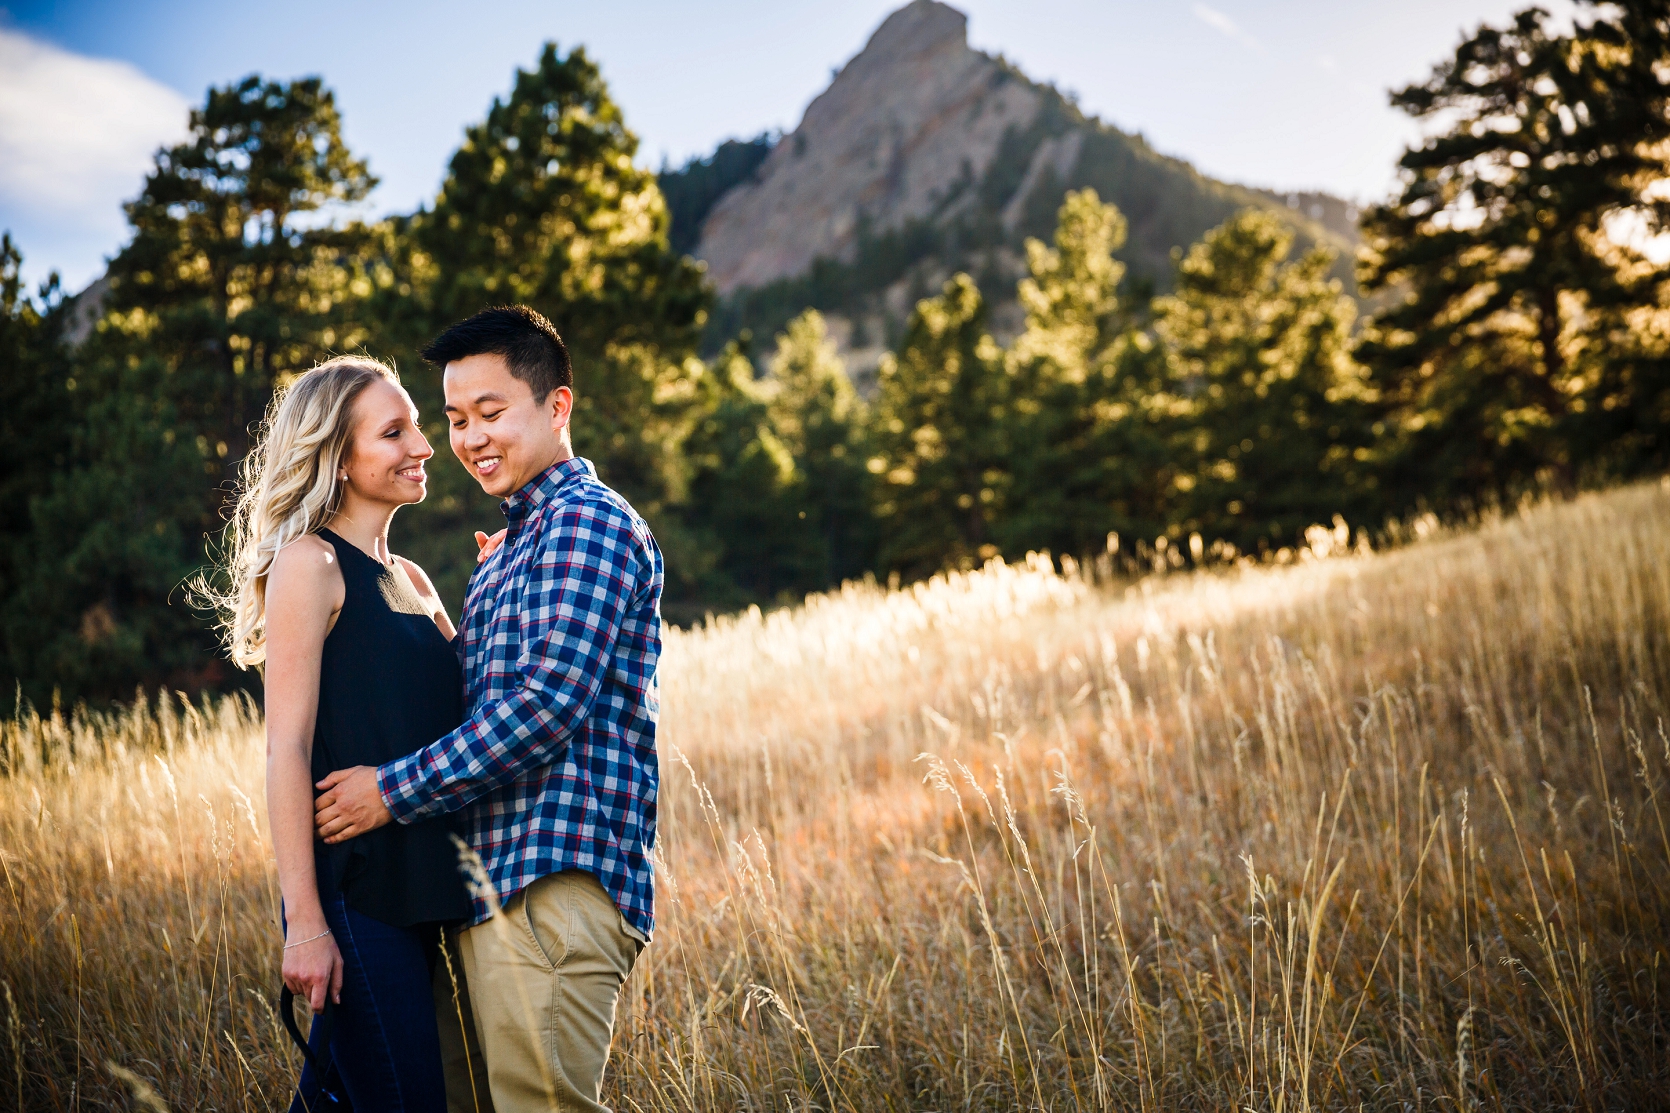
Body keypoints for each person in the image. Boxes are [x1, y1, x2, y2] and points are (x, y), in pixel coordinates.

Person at [313, 305, 663, 1113]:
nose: (469, 439)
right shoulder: (510, 549)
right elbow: (467, 699)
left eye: (492, 413)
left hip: (552, 879)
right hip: (484, 891)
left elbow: (544, 707)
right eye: (457, 418)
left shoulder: (587, 521)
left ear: (557, 406)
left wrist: (388, 790)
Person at [209, 356, 475, 1110]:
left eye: (418, 426)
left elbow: (470, 710)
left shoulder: (416, 579)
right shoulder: (310, 565)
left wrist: (497, 588)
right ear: (337, 457)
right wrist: (305, 924)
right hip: (360, 901)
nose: (424, 445)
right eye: (394, 432)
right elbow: (285, 747)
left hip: (430, 892)